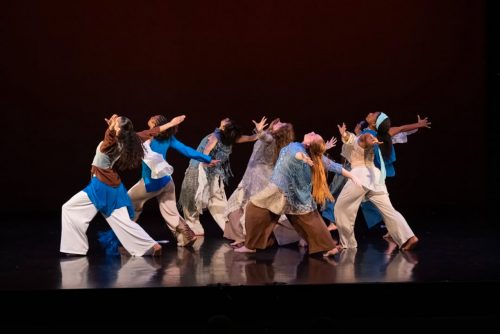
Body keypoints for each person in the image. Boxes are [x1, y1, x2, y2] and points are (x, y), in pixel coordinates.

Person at [60, 114, 184, 256]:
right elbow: (150, 132)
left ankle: (76, 248)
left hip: (101, 185)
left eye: (115, 124)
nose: (113, 124)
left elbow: (111, 135)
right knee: (122, 221)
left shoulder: (111, 141)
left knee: (70, 208)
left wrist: (111, 126)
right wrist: (170, 124)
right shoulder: (130, 139)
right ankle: (150, 245)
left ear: (118, 130)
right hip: (111, 185)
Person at [236, 132, 361, 257]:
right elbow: (331, 165)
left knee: (254, 208)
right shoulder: (310, 153)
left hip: (280, 191)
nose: (312, 132)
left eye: (314, 136)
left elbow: (296, 154)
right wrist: (351, 176)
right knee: (310, 221)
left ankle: (251, 246)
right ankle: (328, 247)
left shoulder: (299, 150)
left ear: (308, 144)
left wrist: (352, 176)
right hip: (291, 193)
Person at [322, 113, 431, 231]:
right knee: (366, 200)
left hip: (360, 170)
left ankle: (335, 222)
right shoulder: (365, 133)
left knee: (342, 194)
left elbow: (402, 128)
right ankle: (389, 227)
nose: (370, 113)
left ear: (375, 123)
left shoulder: (381, 135)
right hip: (356, 168)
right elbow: (356, 144)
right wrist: (355, 132)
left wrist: (418, 125)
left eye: (374, 114)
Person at [127, 115, 219, 247]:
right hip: (167, 181)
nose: (150, 124)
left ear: (156, 126)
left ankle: (129, 236)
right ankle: (186, 236)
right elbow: (186, 150)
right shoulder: (169, 138)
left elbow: (130, 140)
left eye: (153, 122)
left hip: (152, 182)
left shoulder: (148, 138)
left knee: (127, 201)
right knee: (170, 211)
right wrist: (207, 159)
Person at [334, 121, 419, 251]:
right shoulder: (360, 137)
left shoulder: (363, 136)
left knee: (341, 208)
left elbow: (362, 139)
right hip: (376, 178)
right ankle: (409, 237)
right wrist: (345, 134)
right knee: (389, 211)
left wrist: (365, 139)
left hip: (360, 177)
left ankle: (348, 244)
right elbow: (349, 139)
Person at [178, 117, 266, 236]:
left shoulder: (217, 135)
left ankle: (207, 228)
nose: (227, 119)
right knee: (213, 201)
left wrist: (206, 160)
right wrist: (258, 131)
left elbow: (206, 151)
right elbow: (252, 138)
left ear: (224, 127)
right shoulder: (229, 138)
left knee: (193, 198)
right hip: (213, 173)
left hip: (200, 170)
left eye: (228, 121)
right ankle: (231, 230)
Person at [223, 118, 297, 247]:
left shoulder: (272, 140)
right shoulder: (269, 137)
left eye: (281, 124)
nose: (278, 122)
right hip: (250, 176)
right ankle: (242, 237)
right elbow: (257, 137)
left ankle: (254, 240)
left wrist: (260, 131)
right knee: (235, 205)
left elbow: (264, 137)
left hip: (261, 179)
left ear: (281, 132)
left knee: (252, 209)